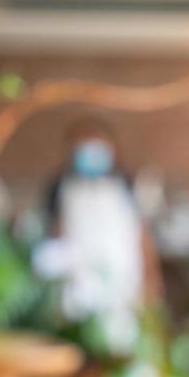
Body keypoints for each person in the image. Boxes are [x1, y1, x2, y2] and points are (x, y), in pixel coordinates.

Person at [34, 117, 158, 354]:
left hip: (124, 290)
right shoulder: (59, 187)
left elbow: (142, 239)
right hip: (76, 292)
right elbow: (52, 237)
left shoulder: (127, 185)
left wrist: (151, 288)